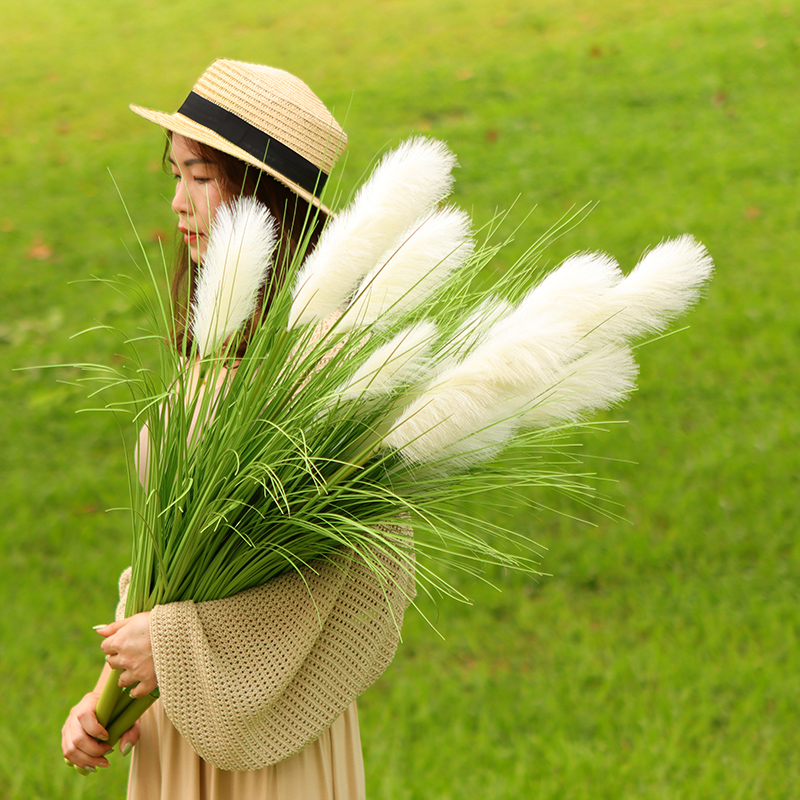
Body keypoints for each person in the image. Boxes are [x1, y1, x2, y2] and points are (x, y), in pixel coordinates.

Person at [61, 58, 414, 800]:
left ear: (266, 200)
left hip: (270, 750)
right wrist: (107, 694)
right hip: (173, 727)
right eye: (175, 174)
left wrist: (175, 649)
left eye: (200, 176)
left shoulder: (327, 368)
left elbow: (361, 578)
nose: (177, 201)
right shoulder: (214, 349)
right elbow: (173, 556)